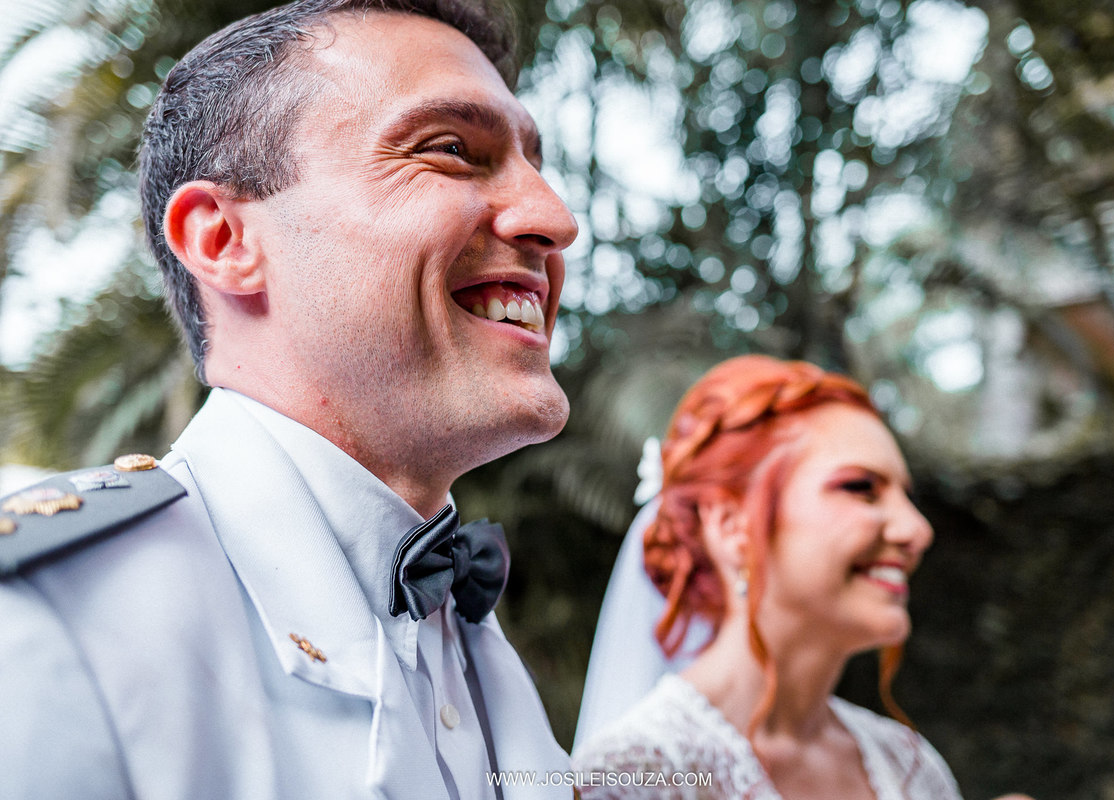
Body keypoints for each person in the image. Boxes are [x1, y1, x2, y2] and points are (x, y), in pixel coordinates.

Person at [0, 1, 577, 798]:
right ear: (223, 241)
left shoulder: (473, 631)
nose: (555, 218)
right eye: (450, 150)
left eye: (536, 165)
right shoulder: (46, 621)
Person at [571, 355, 963, 799]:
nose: (917, 531)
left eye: (907, 497)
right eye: (860, 488)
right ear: (730, 525)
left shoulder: (911, 766)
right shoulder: (632, 777)